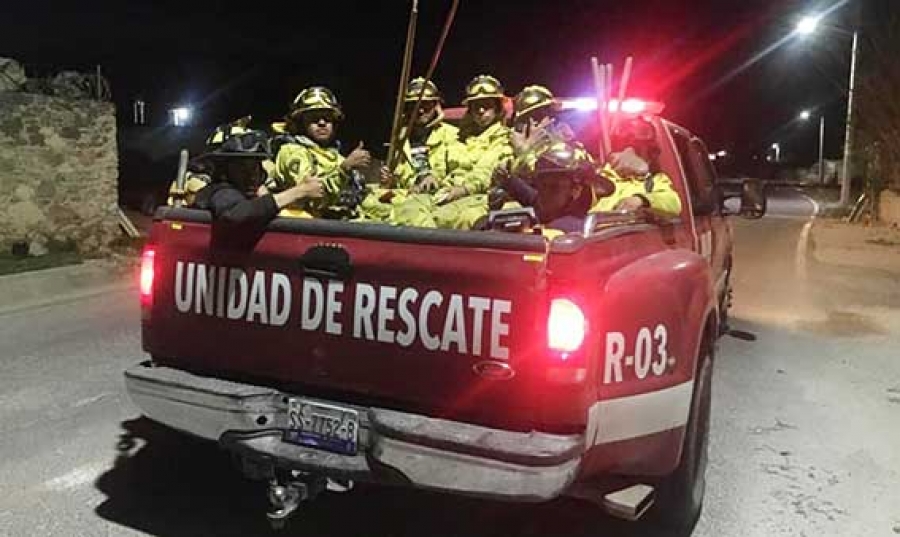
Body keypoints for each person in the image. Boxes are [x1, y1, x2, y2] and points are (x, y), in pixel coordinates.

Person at [360, 77, 464, 225]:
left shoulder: (453, 135)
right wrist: (390, 181)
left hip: (438, 198)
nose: (420, 110)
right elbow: (399, 181)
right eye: (414, 106)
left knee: (415, 215)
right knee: (366, 203)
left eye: (426, 105)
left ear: (436, 105)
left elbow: (461, 173)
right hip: (406, 196)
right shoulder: (399, 139)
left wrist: (436, 180)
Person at [426, 75, 514, 229]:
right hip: (444, 192)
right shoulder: (457, 136)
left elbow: (487, 171)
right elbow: (440, 164)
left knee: (453, 219)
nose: (481, 111)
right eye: (476, 106)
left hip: (479, 197)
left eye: (486, 106)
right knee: (410, 210)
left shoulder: (504, 139)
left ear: (498, 108)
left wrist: (464, 189)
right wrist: (432, 176)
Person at [269, 86, 370, 219]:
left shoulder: (335, 156)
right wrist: (344, 170)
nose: (322, 123)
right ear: (300, 123)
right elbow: (312, 198)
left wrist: (386, 187)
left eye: (327, 118)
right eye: (314, 118)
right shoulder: (292, 152)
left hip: (342, 221)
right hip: (308, 225)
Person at [192, 130, 323, 230]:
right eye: (242, 168)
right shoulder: (220, 191)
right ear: (224, 170)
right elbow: (234, 215)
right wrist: (299, 191)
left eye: (254, 167)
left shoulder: (251, 193)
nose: (251, 175)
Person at [491, 141, 613, 237]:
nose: (543, 193)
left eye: (553, 187)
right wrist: (508, 181)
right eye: (541, 184)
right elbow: (533, 198)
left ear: (576, 190)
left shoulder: (566, 230)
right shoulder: (553, 206)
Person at [590, 117, 683, 217]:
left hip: (628, 227)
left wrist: (641, 200)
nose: (630, 152)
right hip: (594, 226)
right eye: (624, 146)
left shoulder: (653, 181)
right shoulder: (601, 177)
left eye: (638, 148)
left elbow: (673, 203)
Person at [167, 116, 253, 207]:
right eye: (242, 165)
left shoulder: (255, 185)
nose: (251, 175)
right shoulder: (200, 184)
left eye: (254, 165)